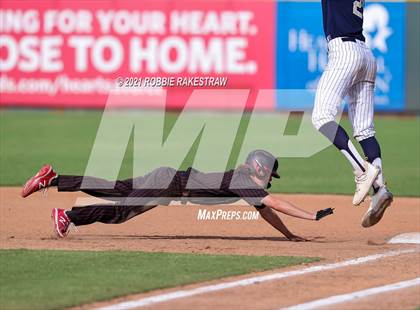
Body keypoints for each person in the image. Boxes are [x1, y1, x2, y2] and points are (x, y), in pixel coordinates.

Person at [21, 150, 333, 241]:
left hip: (167, 177)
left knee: (115, 188)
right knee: (118, 210)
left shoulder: (244, 182)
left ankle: (54, 179)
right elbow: (273, 203)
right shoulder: (244, 180)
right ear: (259, 168)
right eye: (269, 173)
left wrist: (290, 235)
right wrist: (312, 216)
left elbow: (266, 211)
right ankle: (69, 216)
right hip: (168, 185)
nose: (269, 179)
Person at [311, 0, 393, 227]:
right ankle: (379, 190)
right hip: (365, 54)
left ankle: (361, 172)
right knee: (365, 131)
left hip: (344, 51)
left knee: (321, 116)